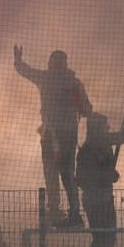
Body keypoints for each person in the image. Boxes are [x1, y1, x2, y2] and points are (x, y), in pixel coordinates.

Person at [13, 46, 92, 228]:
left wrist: (18, 60)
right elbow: (88, 110)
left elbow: (26, 71)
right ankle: (73, 214)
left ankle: (56, 211)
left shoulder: (47, 78)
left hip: (52, 136)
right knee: (67, 174)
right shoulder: (74, 83)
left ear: (51, 64)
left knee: (51, 172)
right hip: (68, 135)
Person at [76, 103, 124, 247]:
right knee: (101, 238)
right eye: (105, 126)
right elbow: (81, 179)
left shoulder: (105, 142)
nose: (109, 128)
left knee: (110, 237)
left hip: (106, 199)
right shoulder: (87, 151)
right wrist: (105, 177)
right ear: (96, 129)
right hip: (94, 201)